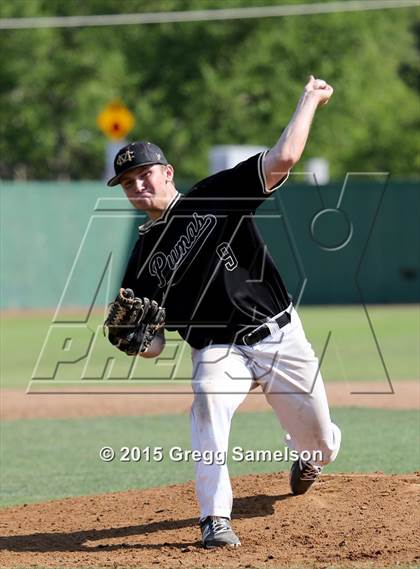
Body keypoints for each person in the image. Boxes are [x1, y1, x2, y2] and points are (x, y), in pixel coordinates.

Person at [106, 75, 341, 549]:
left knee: (323, 443)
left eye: (144, 175)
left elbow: (285, 158)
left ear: (167, 172)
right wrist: (136, 344)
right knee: (207, 402)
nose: (138, 186)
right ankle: (214, 517)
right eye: (128, 183)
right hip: (217, 349)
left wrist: (310, 99)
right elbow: (153, 345)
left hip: (277, 334)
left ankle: (308, 455)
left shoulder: (216, 194)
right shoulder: (140, 263)